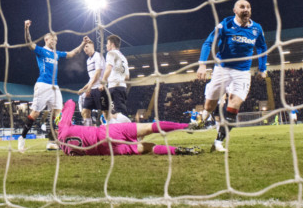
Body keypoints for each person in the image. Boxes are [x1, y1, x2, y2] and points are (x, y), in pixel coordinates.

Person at [192, 0, 267, 152]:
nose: (246, 9)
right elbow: (208, 43)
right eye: (242, 7)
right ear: (235, 10)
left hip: (242, 73)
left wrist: (262, 68)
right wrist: (202, 64)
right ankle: (203, 117)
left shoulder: (256, 28)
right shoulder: (225, 25)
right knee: (209, 106)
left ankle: (218, 142)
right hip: (222, 69)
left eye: (248, 7)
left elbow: (261, 47)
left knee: (234, 105)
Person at [18, 20, 90, 153]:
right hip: (43, 85)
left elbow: (72, 53)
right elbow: (29, 43)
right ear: (46, 39)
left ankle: (51, 141)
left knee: (57, 113)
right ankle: (22, 137)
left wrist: (82, 44)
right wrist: (26, 29)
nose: (55, 41)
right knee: (35, 113)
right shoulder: (41, 51)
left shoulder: (56, 54)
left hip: (55, 87)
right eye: (52, 39)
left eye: (56, 39)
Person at [57, 99, 201, 156]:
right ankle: (186, 126)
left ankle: (180, 151)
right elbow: (70, 103)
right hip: (109, 131)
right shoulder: (63, 127)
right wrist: (62, 114)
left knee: (149, 147)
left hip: (109, 150)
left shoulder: (67, 151)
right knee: (150, 127)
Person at [99, 35, 132, 124]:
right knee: (119, 112)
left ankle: (131, 128)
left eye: (107, 43)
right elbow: (127, 76)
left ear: (112, 44)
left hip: (114, 88)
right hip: (122, 88)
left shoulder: (111, 53)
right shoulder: (123, 57)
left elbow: (108, 68)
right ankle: (124, 132)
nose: (106, 45)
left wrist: (103, 82)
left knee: (117, 114)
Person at [78, 40, 105, 126]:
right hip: (91, 89)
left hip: (100, 89)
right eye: (84, 47)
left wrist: (88, 88)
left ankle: (110, 132)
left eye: (87, 46)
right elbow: (91, 78)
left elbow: (97, 74)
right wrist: (84, 88)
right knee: (85, 111)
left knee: (105, 113)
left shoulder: (98, 56)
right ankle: (88, 133)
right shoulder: (88, 60)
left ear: (92, 46)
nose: (85, 49)